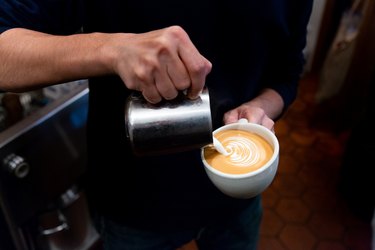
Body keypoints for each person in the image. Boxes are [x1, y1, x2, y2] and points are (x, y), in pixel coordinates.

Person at [0, 1, 313, 249]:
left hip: (237, 197)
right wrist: (111, 49)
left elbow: (287, 71)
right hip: (133, 203)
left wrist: (261, 107)